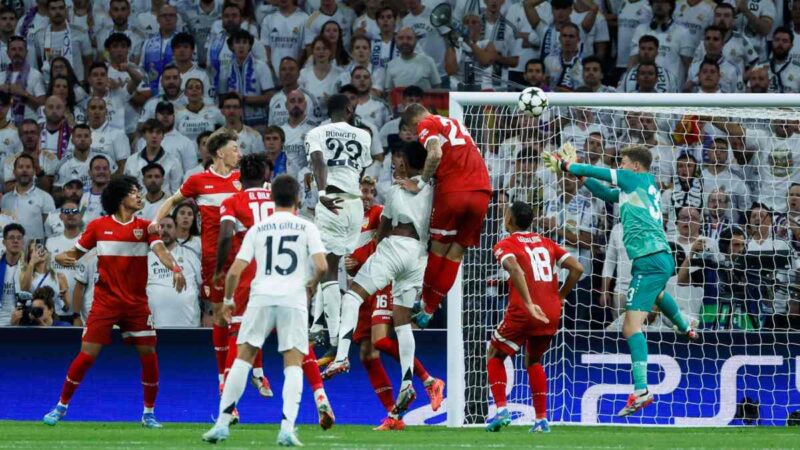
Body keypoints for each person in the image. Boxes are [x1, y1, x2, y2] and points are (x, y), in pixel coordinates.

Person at [543, 144, 698, 416]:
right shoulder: (640, 188)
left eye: (623, 163)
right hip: (657, 258)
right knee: (657, 294)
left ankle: (642, 390)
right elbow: (604, 192)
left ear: (635, 166)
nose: (620, 167)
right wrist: (579, 175)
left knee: (630, 326)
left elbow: (602, 173)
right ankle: (685, 326)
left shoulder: (634, 178)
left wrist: (568, 165)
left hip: (649, 259)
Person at [43, 175, 187, 428]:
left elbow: (161, 251)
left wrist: (175, 268)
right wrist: (60, 258)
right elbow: (73, 254)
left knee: (149, 354)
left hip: (136, 304)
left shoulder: (146, 227)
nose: (139, 196)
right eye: (133, 192)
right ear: (120, 198)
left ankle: (149, 413)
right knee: (87, 354)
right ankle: (61, 406)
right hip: (105, 302)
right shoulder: (98, 226)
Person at [201, 174, 328, 446]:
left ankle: (221, 424)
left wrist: (228, 300)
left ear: (272, 198)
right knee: (292, 363)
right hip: (293, 298)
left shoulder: (258, 229)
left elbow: (234, 271)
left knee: (242, 359)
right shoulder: (307, 227)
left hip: (260, 297)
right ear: (297, 199)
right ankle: (287, 428)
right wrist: (311, 285)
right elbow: (322, 265)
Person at [323, 142, 433, 430]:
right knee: (399, 327)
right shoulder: (433, 190)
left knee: (352, 299)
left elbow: (383, 229)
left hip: (393, 253)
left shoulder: (395, 192)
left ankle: (341, 357)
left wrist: (374, 253)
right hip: (418, 257)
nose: (396, 165)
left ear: (407, 163)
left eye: (399, 160)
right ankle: (407, 384)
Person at [151, 129, 241, 389]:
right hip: (214, 259)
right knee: (220, 316)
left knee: (244, 315)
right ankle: (223, 375)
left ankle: (252, 369)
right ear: (220, 153)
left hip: (243, 256)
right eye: (235, 149)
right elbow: (172, 200)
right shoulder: (198, 180)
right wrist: (156, 221)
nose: (239, 154)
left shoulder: (242, 179)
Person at [484, 201, 583, 433]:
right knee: (534, 361)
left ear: (509, 220)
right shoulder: (547, 242)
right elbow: (578, 268)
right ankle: (541, 420)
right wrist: (560, 296)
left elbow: (515, 269)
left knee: (494, 354)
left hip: (524, 310)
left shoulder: (504, 244)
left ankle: (501, 410)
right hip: (551, 312)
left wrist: (528, 303)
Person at [400, 103, 491, 328]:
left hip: (454, 191)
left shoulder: (426, 123)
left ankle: (423, 301)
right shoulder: (456, 123)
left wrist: (421, 182)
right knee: (456, 255)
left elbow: (435, 153)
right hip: (482, 191)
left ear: (413, 123)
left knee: (438, 251)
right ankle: (428, 311)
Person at [305, 94, 373, 361]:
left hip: (332, 199)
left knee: (328, 268)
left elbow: (318, 161)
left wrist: (321, 192)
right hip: (355, 204)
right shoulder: (364, 134)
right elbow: (360, 169)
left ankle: (334, 338)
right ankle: (318, 325)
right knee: (337, 265)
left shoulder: (316, 132)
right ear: (348, 109)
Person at [147, 215, 202, 327]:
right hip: (155, 324)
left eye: (169, 226)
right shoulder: (147, 257)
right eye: (161, 227)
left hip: (188, 324)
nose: (165, 230)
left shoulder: (190, 255)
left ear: (176, 230)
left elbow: (204, 285)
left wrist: (209, 312)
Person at [2, 154, 56, 242]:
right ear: (14, 172)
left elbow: (50, 230)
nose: (24, 170)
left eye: (28, 167)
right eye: (20, 167)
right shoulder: (5, 199)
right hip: (11, 248)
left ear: (34, 171)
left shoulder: (45, 197)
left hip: (35, 249)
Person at [0, 223, 25, 326]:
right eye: (11, 238)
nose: (15, 241)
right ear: (4, 242)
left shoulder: (30, 268)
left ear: (23, 242)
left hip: (22, 323)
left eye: (19, 238)